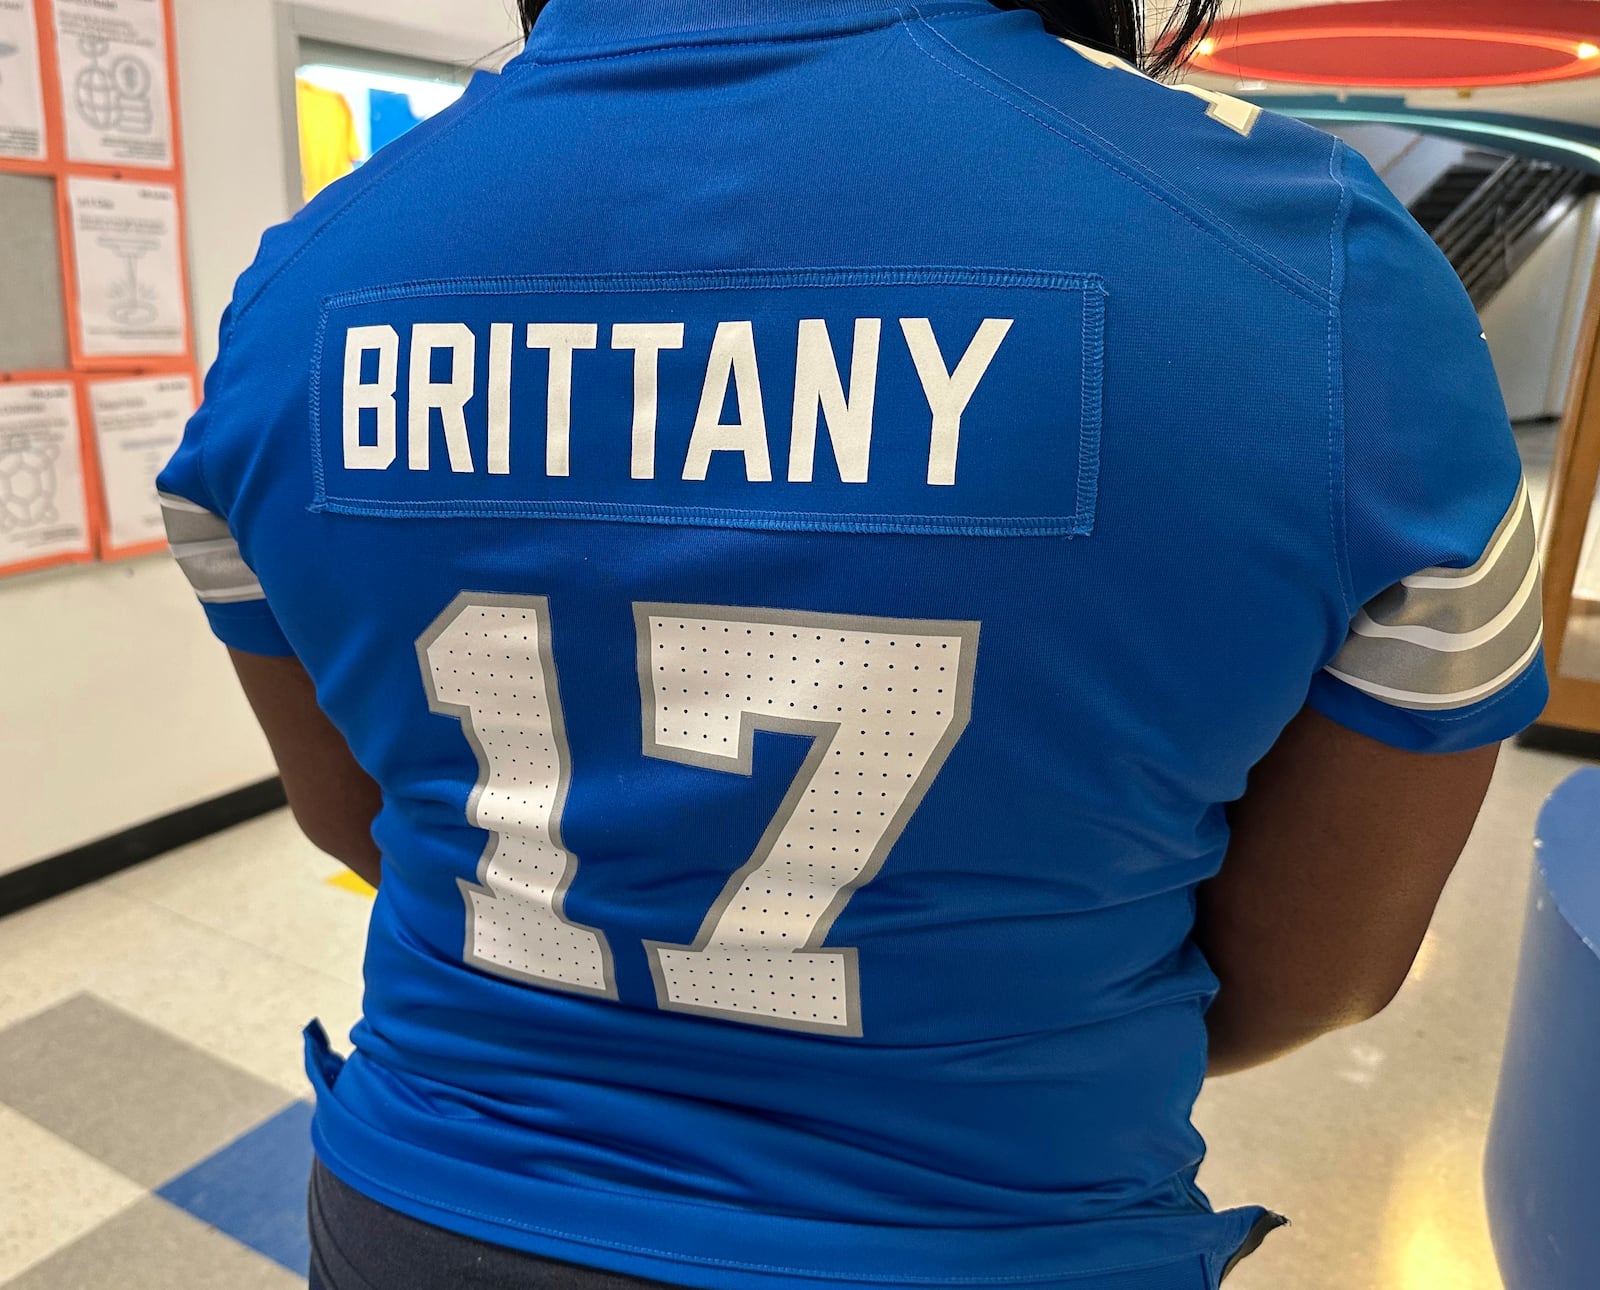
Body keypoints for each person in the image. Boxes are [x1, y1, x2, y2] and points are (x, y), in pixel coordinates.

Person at [158, 1, 1548, 1286]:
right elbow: (1326, 969)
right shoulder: (1319, 279)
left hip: (426, 1212)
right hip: (993, 1235)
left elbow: (355, 821)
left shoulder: (302, 293)